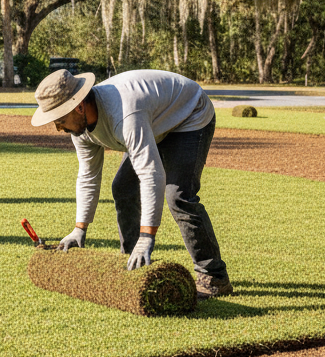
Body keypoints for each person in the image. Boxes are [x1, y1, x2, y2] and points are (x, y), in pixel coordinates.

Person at [30, 68, 232, 299]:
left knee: (178, 196)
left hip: (187, 113)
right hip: (152, 121)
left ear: (79, 106)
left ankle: (214, 276)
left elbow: (150, 173)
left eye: (61, 120)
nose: (59, 129)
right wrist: (79, 229)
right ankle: (134, 264)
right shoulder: (80, 130)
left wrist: (147, 237)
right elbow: (88, 175)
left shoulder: (125, 114)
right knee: (123, 188)